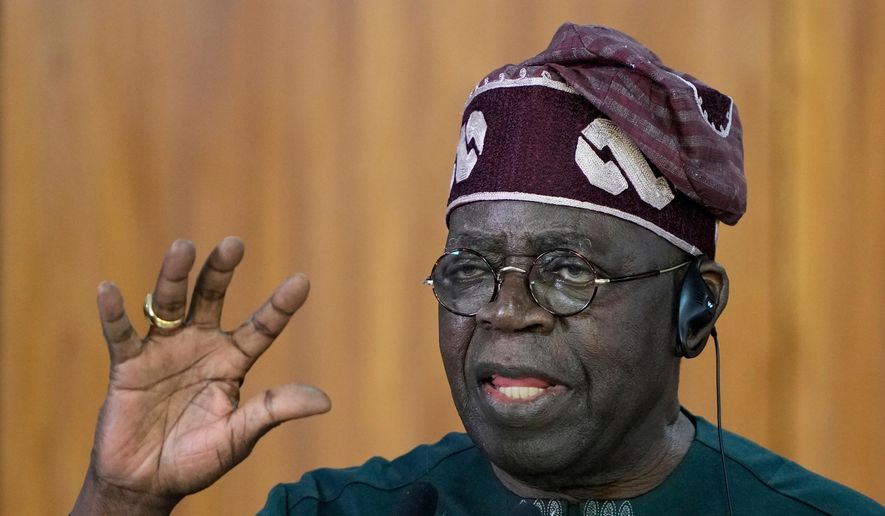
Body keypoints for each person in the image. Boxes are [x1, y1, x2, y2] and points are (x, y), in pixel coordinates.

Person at [71, 23, 883, 516]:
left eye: (567, 270)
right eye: (470, 269)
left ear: (692, 312)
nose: (506, 310)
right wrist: (125, 502)